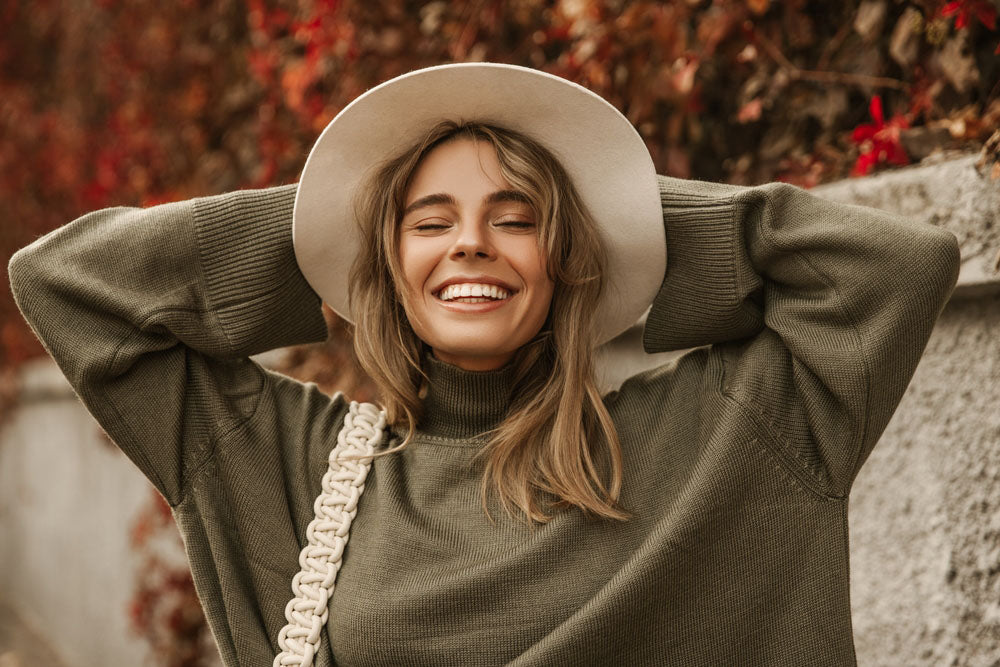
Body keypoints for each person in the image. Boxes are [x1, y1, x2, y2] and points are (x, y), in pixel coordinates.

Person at [8, 63, 959, 666]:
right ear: (388, 259)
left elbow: (889, 268)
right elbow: (69, 284)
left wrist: (612, 205)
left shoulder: (733, 434)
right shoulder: (282, 467)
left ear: (569, 255)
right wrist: (328, 230)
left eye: (515, 218)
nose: (470, 243)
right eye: (430, 223)